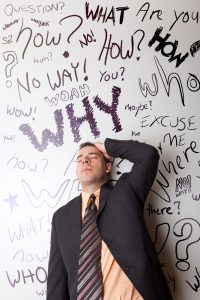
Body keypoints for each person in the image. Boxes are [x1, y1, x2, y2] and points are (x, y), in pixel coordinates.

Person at [46, 138, 173, 300]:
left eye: (93, 156)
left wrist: (107, 147)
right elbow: (57, 281)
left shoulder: (127, 192)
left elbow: (148, 155)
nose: (84, 159)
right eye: (80, 159)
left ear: (108, 166)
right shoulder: (61, 217)